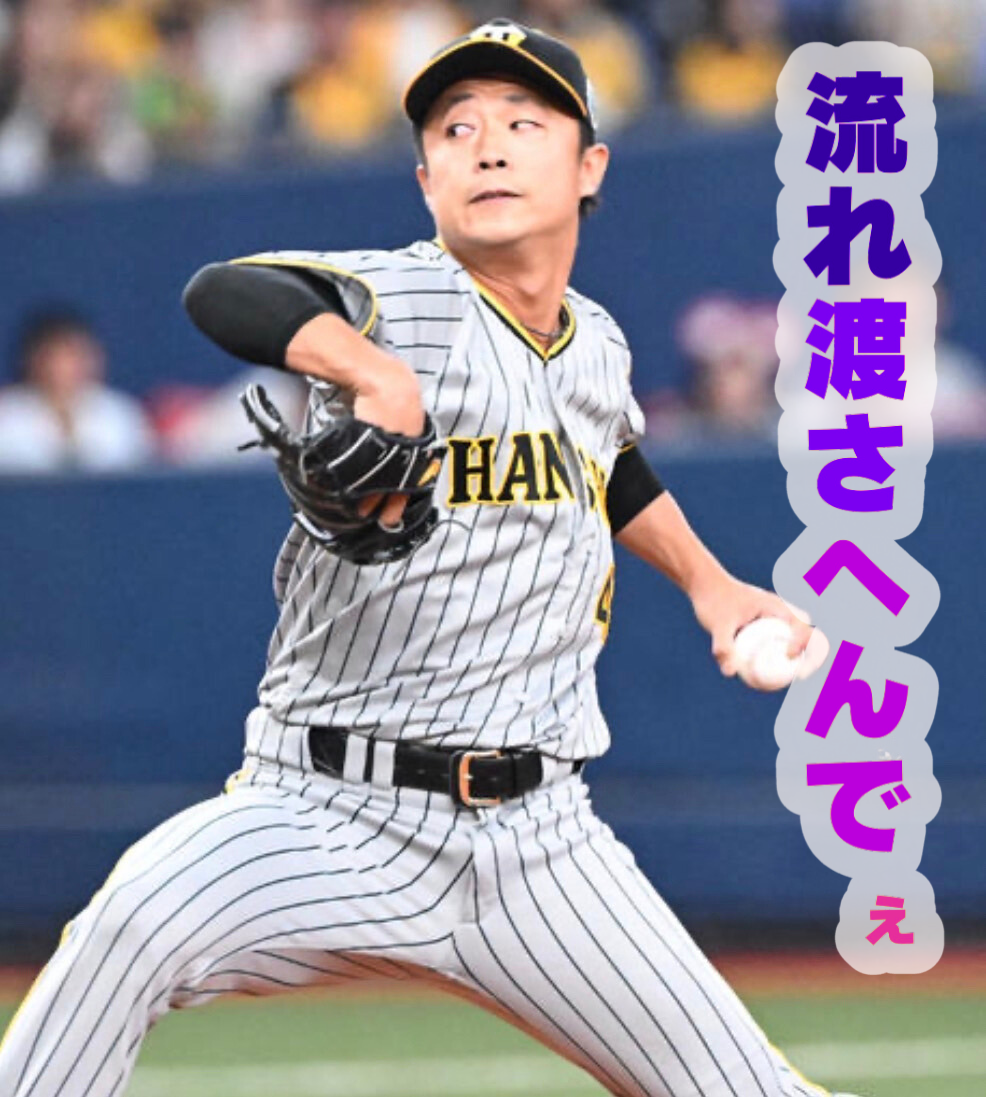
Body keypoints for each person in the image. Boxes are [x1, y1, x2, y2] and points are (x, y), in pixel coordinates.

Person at [0, 19, 861, 1097]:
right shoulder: (398, 297)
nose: (486, 146)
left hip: (540, 844)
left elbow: (611, 464)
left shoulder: (595, 341)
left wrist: (709, 583)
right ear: (423, 181)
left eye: (522, 123)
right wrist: (373, 373)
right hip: (326, 807)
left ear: (589, 166)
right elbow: (223, 290)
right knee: (128, 926)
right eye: (455, 130)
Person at [0, 308, 154, 472]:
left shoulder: (120, 412)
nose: (67, 366)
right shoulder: (7, 413)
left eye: (77, 354)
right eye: (57, 355)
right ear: (33, 359)